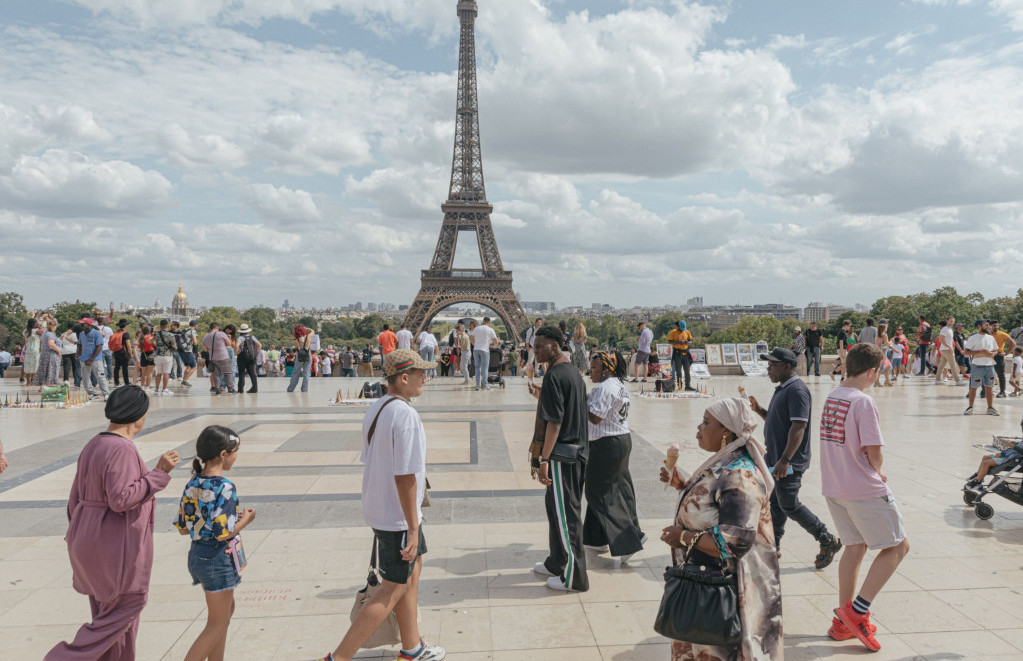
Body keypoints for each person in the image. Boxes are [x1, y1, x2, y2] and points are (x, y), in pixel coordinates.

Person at [314, 349, 445, 661]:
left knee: (410, 575)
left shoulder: (379, 407)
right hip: (398, 515)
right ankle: (338, 658)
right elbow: (405, 475)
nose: (425, 377)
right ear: (403, 377)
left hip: (382, 507)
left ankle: (412, 648)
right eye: (420, 373)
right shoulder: (406, 415)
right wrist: (413, 528)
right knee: (391, 588)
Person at [45, 386, 180, 660]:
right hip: (115, 549)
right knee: (127, 604)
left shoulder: (94, 444)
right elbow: (121, 499)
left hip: (88, 541)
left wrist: (81, 532)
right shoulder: (121, 449)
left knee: (114, 622)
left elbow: (75, 499)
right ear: (138, 415)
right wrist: (159, 473)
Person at [659, 397, 783, 661]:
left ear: (726, 431)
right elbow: (715, 508)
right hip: (703, 588)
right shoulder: (724, 464)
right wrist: (683, 485)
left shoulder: (740, 476)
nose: (699, 428)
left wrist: (681, 536)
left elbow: (734, 541)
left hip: (726, 596)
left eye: (706, 423)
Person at [819, 343, 910, 652]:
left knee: (855, 547)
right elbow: (874, 450)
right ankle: (857, 612)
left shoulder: (833, 396)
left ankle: (841, 622)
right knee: (898, 547)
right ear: (871, 371)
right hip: (862, 488)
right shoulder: (863, 402)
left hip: (834, 486)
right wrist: (879, 471)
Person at [749, 347, 841, 567]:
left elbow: (799, 426)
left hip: (789, 462)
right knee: (777, 503)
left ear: (787, 366)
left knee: (789, 504)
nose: (768, 369)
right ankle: (774, 545)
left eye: (773, 365)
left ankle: (826, 538)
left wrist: (785, 459)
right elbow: (778, 419)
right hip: (778, 459)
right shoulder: (783, 388)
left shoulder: (797, 390)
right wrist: (759, 409)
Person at [175, 425, 255, 661]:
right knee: (217, 623)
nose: (235, 456)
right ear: (223, 454)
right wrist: (247, 519)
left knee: (225, 613)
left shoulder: (193, 483)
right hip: (217, 557)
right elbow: (223, 533)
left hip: (198, 554)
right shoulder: (225, 487)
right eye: (234, 451)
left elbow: (182, 527)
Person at [528, 325, 590, 592]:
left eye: (540, 346)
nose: (535, 350)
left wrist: (543, 460)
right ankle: (557, 561)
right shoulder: (571, 372)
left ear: (555, 345)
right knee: (556, 510)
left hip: (562, 456)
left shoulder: (554, 376)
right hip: (576, 452)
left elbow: (554, 423)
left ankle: (574, 578)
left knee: (567, 516)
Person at [583, 351, 645, 565]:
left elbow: (595, 417)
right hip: (621, 439)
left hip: (605, 443)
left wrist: (579, 400)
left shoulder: (603, 388)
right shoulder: (617, 384)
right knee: (619, 488)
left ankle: (627, 542)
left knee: (598, 492)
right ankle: (596, 537)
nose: (589, 371)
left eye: (593, 368)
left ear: (606, 369)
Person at [964, 319, 999, 416]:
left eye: (988, 324)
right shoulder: (973, 338)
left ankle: (990, 408)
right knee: (973, 387)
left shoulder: (990, 338)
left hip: (990, 365)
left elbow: (996, 350)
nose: (987, 326)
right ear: (979, 326)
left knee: (989, 387)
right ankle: (970, 407)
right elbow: (966, 352)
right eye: (985, 324)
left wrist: (993, 353)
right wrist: (981, 352)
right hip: (977, 366)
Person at [78, 318, 110, 401]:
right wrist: (78, 353)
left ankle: (106, 394)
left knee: (100, 377)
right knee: (85, 378)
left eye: (83, 324)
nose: (81, 325)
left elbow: (99, 347)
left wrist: (91, 359)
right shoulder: (81, 334)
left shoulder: (97, 334)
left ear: (88, 324)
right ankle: (92, 393)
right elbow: (80, 345)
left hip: (96, 359)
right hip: (83, 359)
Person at [203, 323, 235, 395]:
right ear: (218, 327)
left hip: (213, 358)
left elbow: (205, 349)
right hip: (223, 356)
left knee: (216, 374)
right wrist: (229, 339)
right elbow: (229, 344)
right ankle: (230, 389)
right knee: (228, 373)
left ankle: (218, 389)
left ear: (210, 328)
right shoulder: (222, 334)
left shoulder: (206, 336)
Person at [470, 317, 498, 390]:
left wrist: (474, 343)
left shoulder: (477, 328)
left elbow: (471, 337)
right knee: (485, 368)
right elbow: (495, 340)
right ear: (489, 322)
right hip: (485, 349)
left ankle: (477, 385)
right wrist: (495, 346)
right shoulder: (490, 329)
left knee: (477, 367)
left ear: (483, 321)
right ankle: (485, 385)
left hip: (476, 349)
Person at [667, 320, 695, 392]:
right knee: (678, 371)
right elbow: (669, 341)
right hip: (677, 353)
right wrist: (677, 342)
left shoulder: (687, 332)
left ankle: (688, 386)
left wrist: (686, 342)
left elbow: (691, 341)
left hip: (685, 353)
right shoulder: (673, 332)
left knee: (687, 371)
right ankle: (679, 386)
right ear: (678, 326)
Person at [35, 319, 62, 389]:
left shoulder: (44, 333)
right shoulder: (51, 334)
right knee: (50, 372)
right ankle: (48, 388)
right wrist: (59, 351)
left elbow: (41, 344)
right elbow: (51, 344)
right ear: (54, 326)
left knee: (45, 371)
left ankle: (43, 388)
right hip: (51, 355)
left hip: (45, 354)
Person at [990, 320, 1014, 398]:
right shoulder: (987, 334)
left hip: (998, 356)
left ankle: (1002, 391)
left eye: (997, 325)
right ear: (990, 326)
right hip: (988, 355)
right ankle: (988, 391)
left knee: (1001, 374)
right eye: (994, 325)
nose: (996, 327)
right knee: (987, 374)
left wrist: (1006, 353)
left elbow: (1013, 343)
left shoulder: (1002, 334)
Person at [152, 320, 177, 397]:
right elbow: (174, 346)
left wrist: (158, 346)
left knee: (158, 373)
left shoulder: (156, 334)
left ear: (160, 325)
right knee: (166, 373)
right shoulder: (170, 335)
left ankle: (156, 389)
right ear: (168, 325)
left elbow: (151, 341)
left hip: (158, 355)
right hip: (167, 355)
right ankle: (164, 389)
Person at [236, 323, 262, 393]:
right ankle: (254, 388)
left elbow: (237, 345)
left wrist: (237, 352)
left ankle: (240, 389)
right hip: (252, 358)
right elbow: (259, 345)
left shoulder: (240, 338)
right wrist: (256, 353)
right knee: (252, 373)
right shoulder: (252, 337)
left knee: (241, 373)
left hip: (242, 358)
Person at [287, 325, 312, 393]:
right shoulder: (308, 336)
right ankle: (304, 389)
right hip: (308, 355)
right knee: (306, 373)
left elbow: (294, 335)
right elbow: (313, 331)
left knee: (296, 372)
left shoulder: (296, 339)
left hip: (299, 355)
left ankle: (291, 388)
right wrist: (306, 328)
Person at [108, 319, 132, 387]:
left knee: (117, 367)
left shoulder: (116, 333)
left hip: (116, 352)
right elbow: (128, 345)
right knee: (125, 368)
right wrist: (130, 354)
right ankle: (126, 382)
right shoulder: (125, 334)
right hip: (123, 352)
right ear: (126, 325)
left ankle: (116, 382)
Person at [23, 317, 41, 386]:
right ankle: (33, 380)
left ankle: (28, 382)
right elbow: (42, 333)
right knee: (35, 365)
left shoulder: (25, 331)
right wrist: (39, 327)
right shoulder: (36, 331)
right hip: (36, 350)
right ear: (34, 324)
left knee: (27, 365)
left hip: (28, 349)